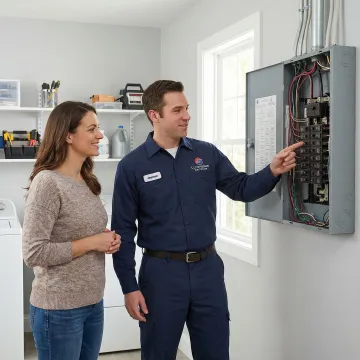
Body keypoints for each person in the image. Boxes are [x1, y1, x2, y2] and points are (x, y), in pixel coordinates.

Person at [111, 80, 303, 360]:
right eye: (177, 110)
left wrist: (272, 171)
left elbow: (241, 188)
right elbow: (123, 232)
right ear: (155, 115)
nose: (186, 115)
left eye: (186, 108)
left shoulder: (206, 154)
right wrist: (129, 287)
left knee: (215, 353)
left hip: (208, 272)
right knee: (158, 354)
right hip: (161, 276)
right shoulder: (131, 166)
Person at [22, 101, 121, 360]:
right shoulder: (47, 182)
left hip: (92, 303)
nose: (100, 135)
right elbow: (33, 253)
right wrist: (92, 243)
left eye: (98, 128)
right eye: (92, 129)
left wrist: (107, 239)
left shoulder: (86, 180)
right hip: (59, 309)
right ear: (68, 135)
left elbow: (84, 231)